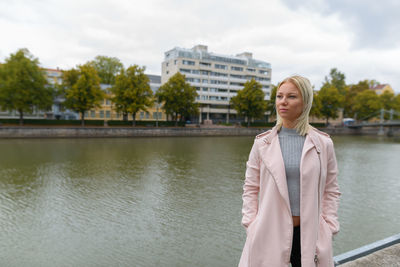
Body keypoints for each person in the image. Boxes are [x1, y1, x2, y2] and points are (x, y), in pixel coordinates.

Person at [238, 75, 341, 267]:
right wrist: (251, 224)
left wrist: (329, 226)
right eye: (279, 96)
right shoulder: (262, 143)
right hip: (269, 231)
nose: (283, 101)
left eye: (291, 96)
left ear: (305, 101)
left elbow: (331, 189)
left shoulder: (323, 144)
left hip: (311, 233)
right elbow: (250, 188)